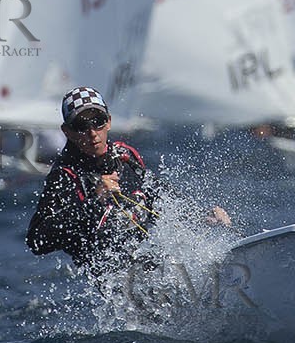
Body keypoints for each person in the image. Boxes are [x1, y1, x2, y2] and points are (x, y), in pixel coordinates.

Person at [26, 87, 230, 275]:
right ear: (67, 132)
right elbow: (37, 241)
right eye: (81, 125)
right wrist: (94, 202)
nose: (92, 133)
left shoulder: (125, 155)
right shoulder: (63, 177)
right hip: (117, 282)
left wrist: (200, 215)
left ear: (109, 122)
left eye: (98, 121)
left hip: (153, 263)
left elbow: (158, 195)